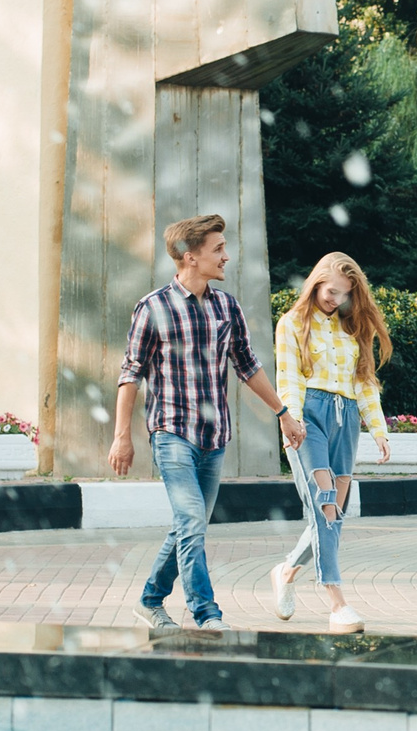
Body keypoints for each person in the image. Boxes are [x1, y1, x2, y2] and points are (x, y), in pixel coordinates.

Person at [108, 213, 305, 631]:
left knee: (188, 525)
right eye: (217, 249)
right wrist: (121, 436)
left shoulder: (226, 307)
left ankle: (149, 600)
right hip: (172, 433)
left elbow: (248, 367)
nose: (226, 256)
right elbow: (131, 374)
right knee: (193, 521)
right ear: (189, 256)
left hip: (214, 438)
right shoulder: (153, 307)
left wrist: (282, 413)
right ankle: (207, 614)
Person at [268, 252, 391, 633]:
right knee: (324, 505)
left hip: (347, 418)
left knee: (335, 512)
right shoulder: (292, 324)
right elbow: (288, 377)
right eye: (330, 290)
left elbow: (364, 381)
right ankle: (336, 602)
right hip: (309, 419)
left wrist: (378, 427)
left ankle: (286, 571)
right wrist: (293, 422)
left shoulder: (352, 329)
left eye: (343, 295)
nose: (334, 299)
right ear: (316, 282)